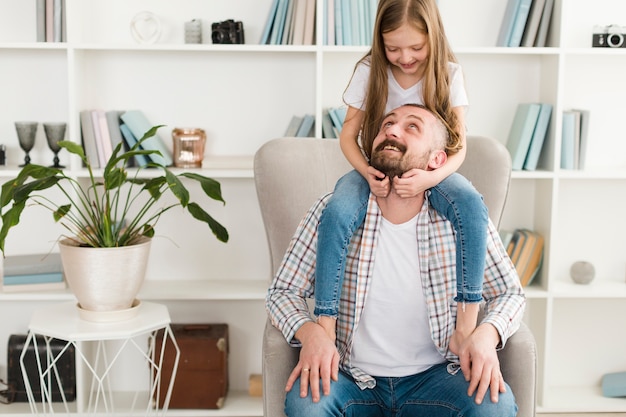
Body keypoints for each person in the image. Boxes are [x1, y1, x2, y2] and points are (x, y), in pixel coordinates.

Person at [266, 104, 525, 417]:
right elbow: (283, 291)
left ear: (437, 160)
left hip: (439, 379)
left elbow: (510, 293)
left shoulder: (459, 219)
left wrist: (486, 334)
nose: (391, 130)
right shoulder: (331, 211)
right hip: (350, 378)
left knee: (494, 407)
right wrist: (312, 334)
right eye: (387, 124)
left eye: (412, 127)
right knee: (307, 404)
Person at [314, 0, 488, 355]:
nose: (405, 57)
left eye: (416, 48)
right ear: (380, 42)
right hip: (374, 167)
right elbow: (348, 136)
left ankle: (465, 325)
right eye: (393, 48)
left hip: (432, 171)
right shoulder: (369, 70)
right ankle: (325, 326)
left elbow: (459, 148)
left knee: (471, 205)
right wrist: (367, 171)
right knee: (336, 212)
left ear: (433, 39)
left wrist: (429, 179)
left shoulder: (448, 74)